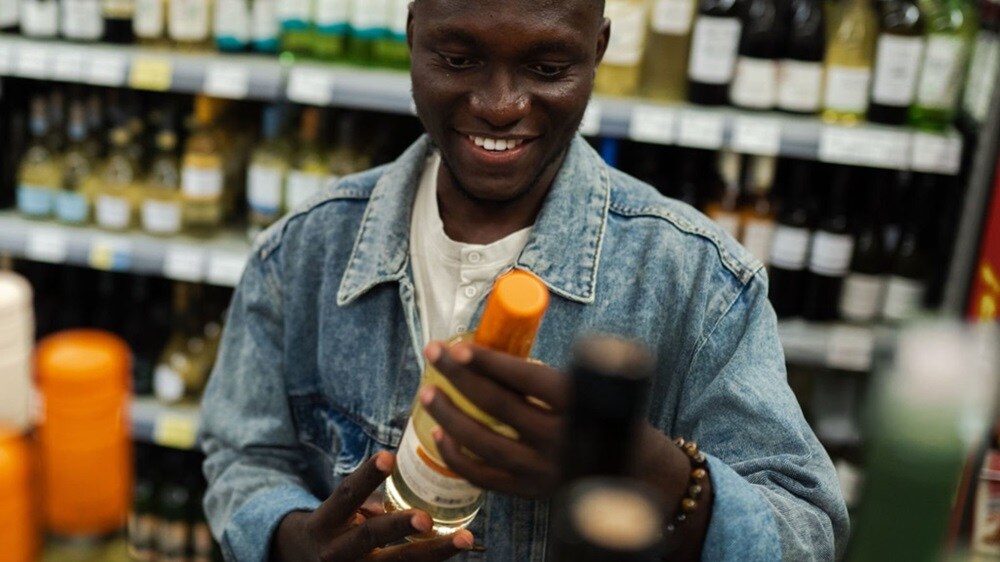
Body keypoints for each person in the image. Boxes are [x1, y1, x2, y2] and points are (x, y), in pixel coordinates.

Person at [199, 0, 850, 560]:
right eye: (458, 60)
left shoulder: (697, 281)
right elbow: (242, 453)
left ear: (597, 50)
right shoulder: (301, 252)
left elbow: (810, 530)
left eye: (547, 68)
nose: (500, 105)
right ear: (411, 34)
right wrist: (288, 538)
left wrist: (650, 474)